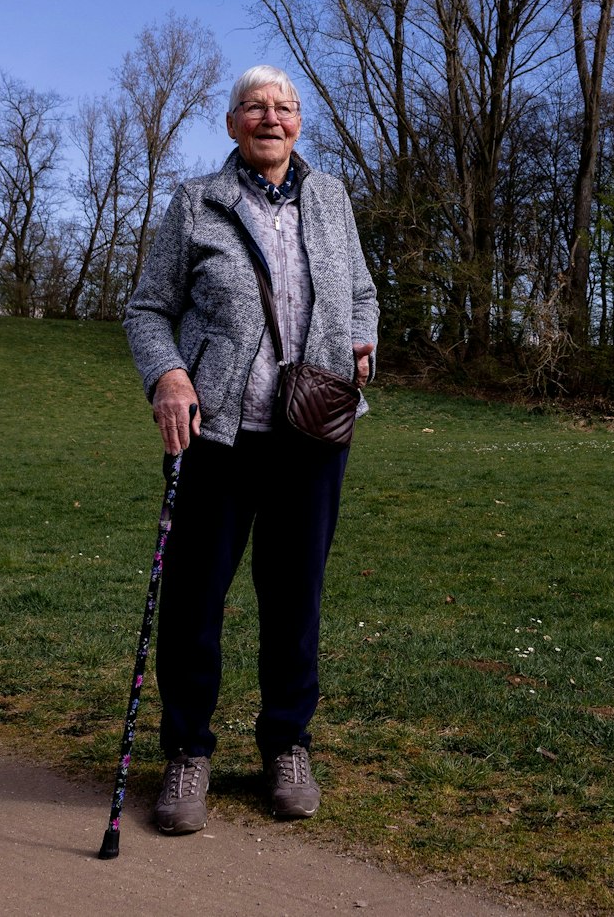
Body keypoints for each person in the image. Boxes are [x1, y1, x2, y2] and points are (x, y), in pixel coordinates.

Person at [123, 65, 378, 830]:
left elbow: (362, 289)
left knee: (295, 598)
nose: (271, 117)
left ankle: (286, 744)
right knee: (197, 597)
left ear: (300, 122)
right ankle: (188, 753)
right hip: (218, 436)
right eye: (255, 107)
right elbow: (145, 309)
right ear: (232, 123)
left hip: (313, 431)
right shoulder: (195, 202)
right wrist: (169, 374)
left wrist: (362, 338)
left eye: (285, 107)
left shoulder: (331, 196)